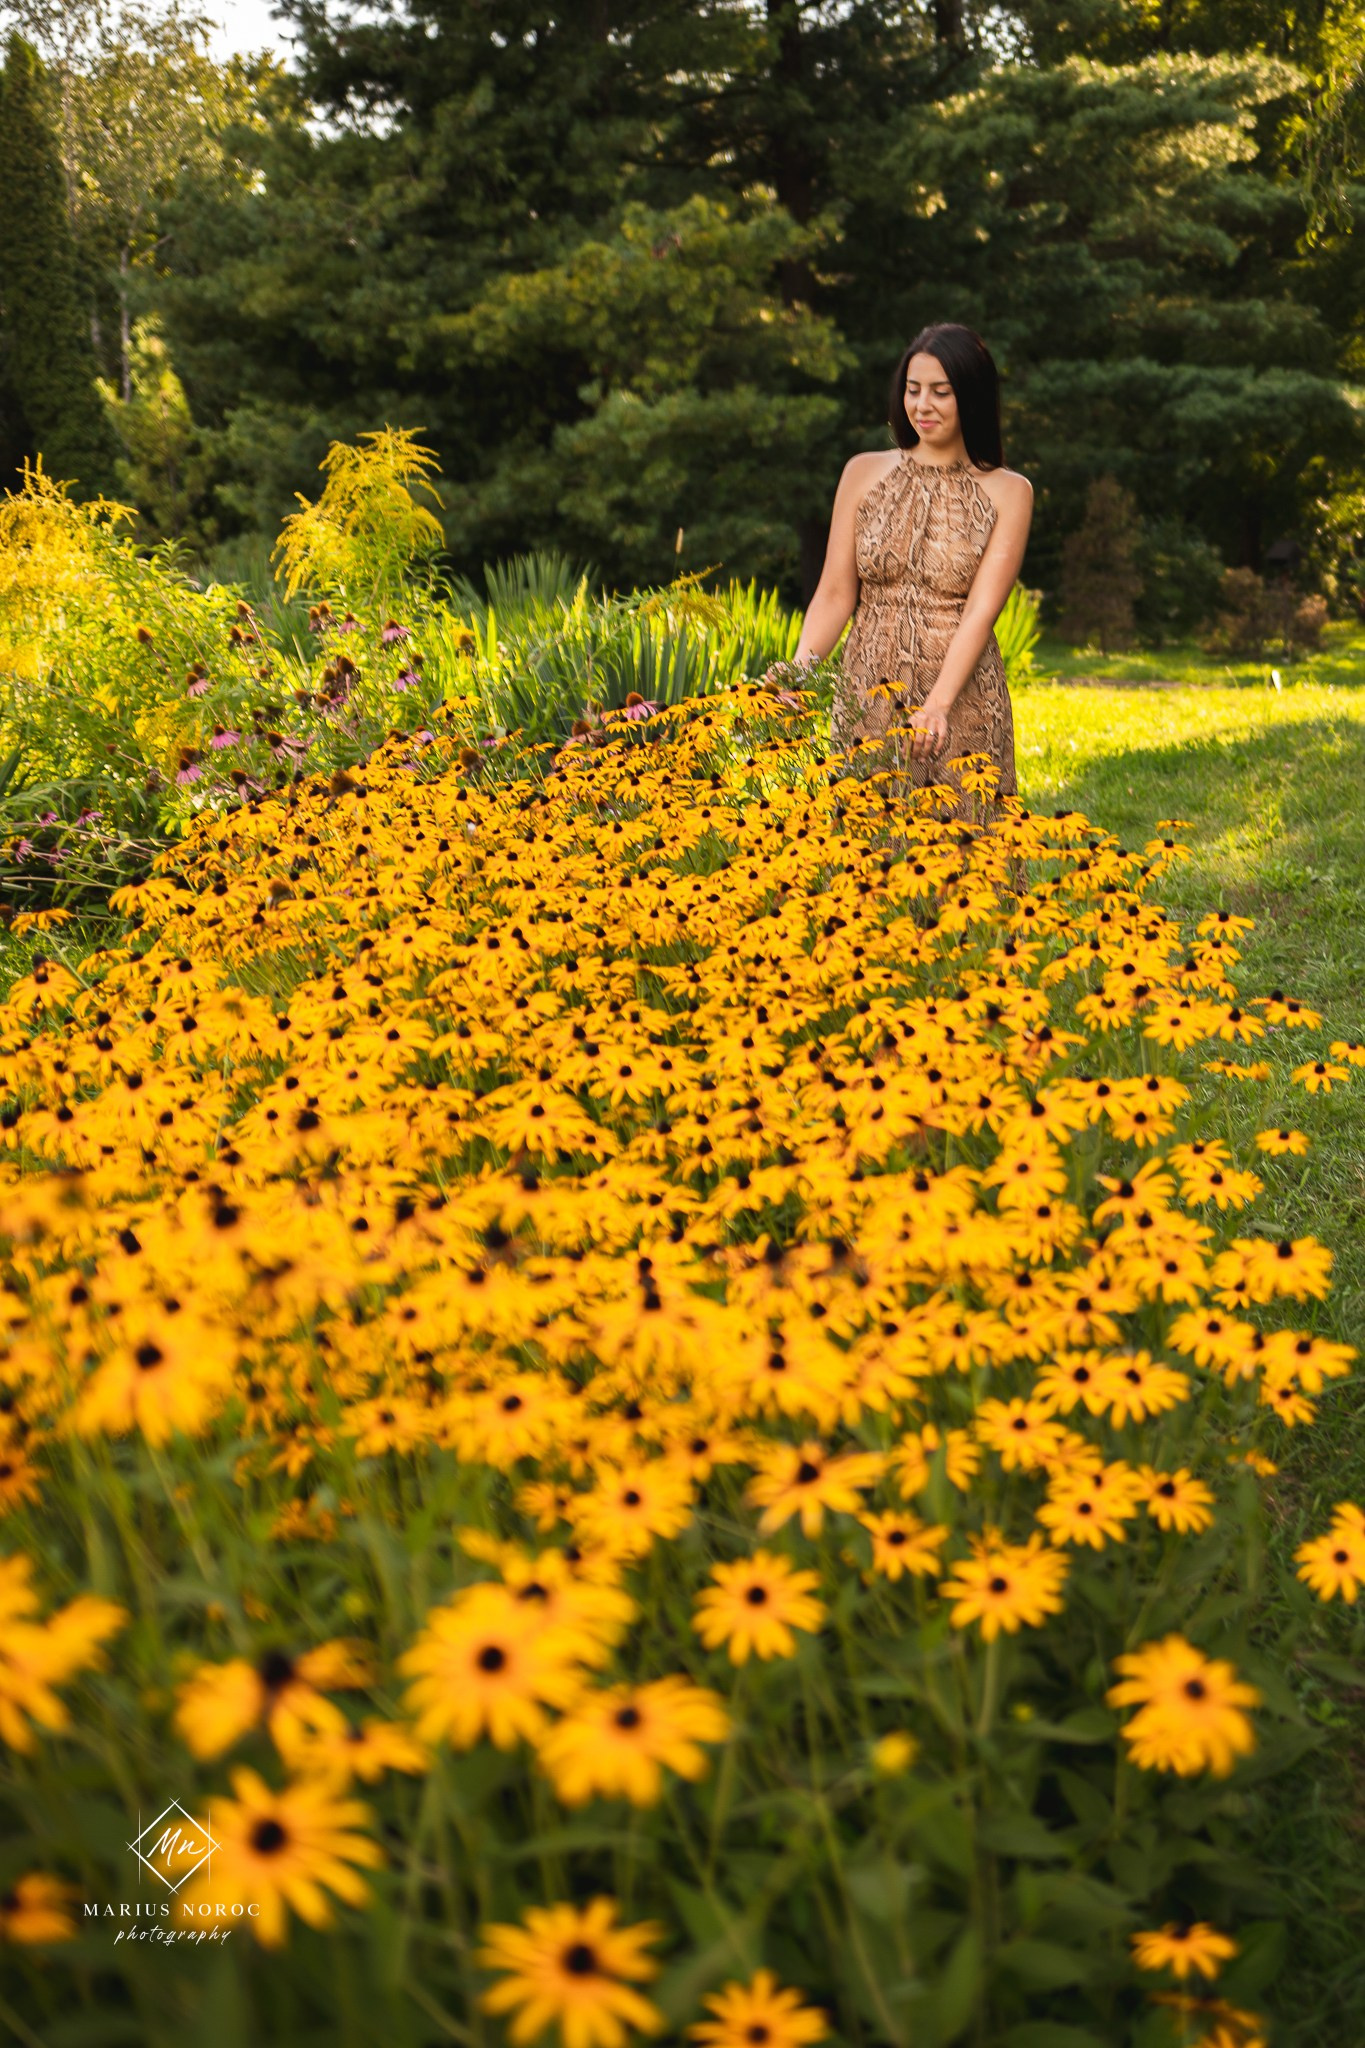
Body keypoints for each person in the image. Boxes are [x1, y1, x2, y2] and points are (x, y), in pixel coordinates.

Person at [790, 322, 1033, 807]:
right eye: (913, 389)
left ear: (972, 395)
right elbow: (836, 594)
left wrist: (937, 705)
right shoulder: (862, 472)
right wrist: (797, 675)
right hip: (867, 686)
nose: (922, 405)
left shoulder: (1010, 491)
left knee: (960, 852)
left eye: (941, 393)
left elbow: (981, 612)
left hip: (962, 696)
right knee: (864, 841)